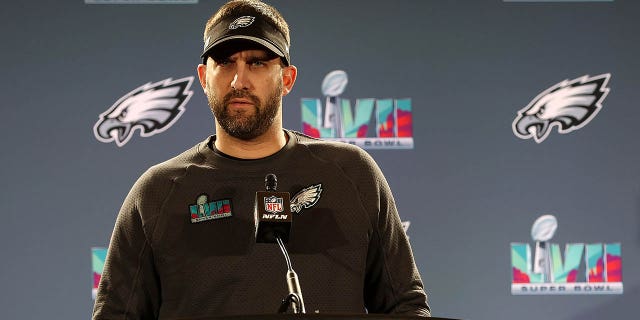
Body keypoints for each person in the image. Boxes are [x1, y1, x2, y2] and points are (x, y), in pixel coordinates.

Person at [92, 0, 430, 318]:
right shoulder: (158, 191)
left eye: (257, 62)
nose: (239, 81)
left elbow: (405, 306)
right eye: (225, 62)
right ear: (203, 78)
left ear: (286, 79)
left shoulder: (351, 173)